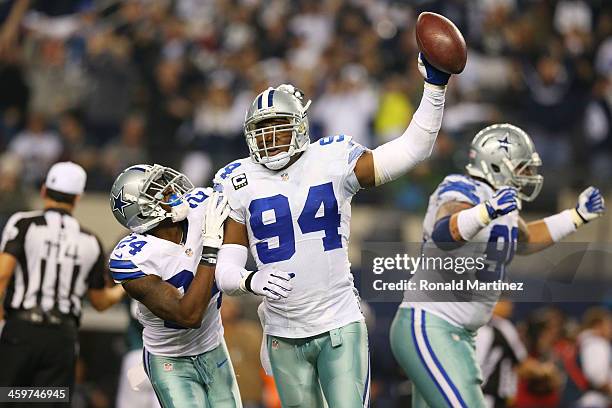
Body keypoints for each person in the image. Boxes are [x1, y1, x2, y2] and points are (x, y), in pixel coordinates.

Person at [213, 54, 452, 407]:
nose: (270, 138)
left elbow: (414, 149)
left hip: (338, 322)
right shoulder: (237, 179)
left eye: (278, 125)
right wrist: (249, 280)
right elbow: (226, 270)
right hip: (282, 333)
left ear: (299, 125)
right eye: (262, 130)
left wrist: (435, 88)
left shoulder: (332, 157)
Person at [389, 123, 606, 407]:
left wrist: (576, 216)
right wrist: (485, 211)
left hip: (460, 334)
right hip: (430, 324)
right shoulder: (461, 188)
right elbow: (445, 231)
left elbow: (526, 239)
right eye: (522, 168)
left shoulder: (504, 206)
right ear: (496, 163)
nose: (528, 176)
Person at [108, 164, 241, 407]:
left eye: (167, 184)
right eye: (160, 191)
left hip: (213, 344)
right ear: (141, 210)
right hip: (170, 358)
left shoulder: (200, 206)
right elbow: (188, 315)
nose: (172, 190)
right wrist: (210, 249)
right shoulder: (133, 257)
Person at [0, 161, 124, 393]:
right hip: (62, 338)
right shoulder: (90, 241)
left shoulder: (23, 223)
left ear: (44, 190)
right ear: (78, 198)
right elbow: (100, 302)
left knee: (9, 399)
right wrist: (124, 286)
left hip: (21, 330)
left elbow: (2, 276)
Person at [476, 300, 527, 408]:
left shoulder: (501, 326)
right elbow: (523, 364)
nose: (510, 306)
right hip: (489, 395)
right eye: (504, 301)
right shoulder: (503, 327)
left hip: (481, 393)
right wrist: (541, 372)